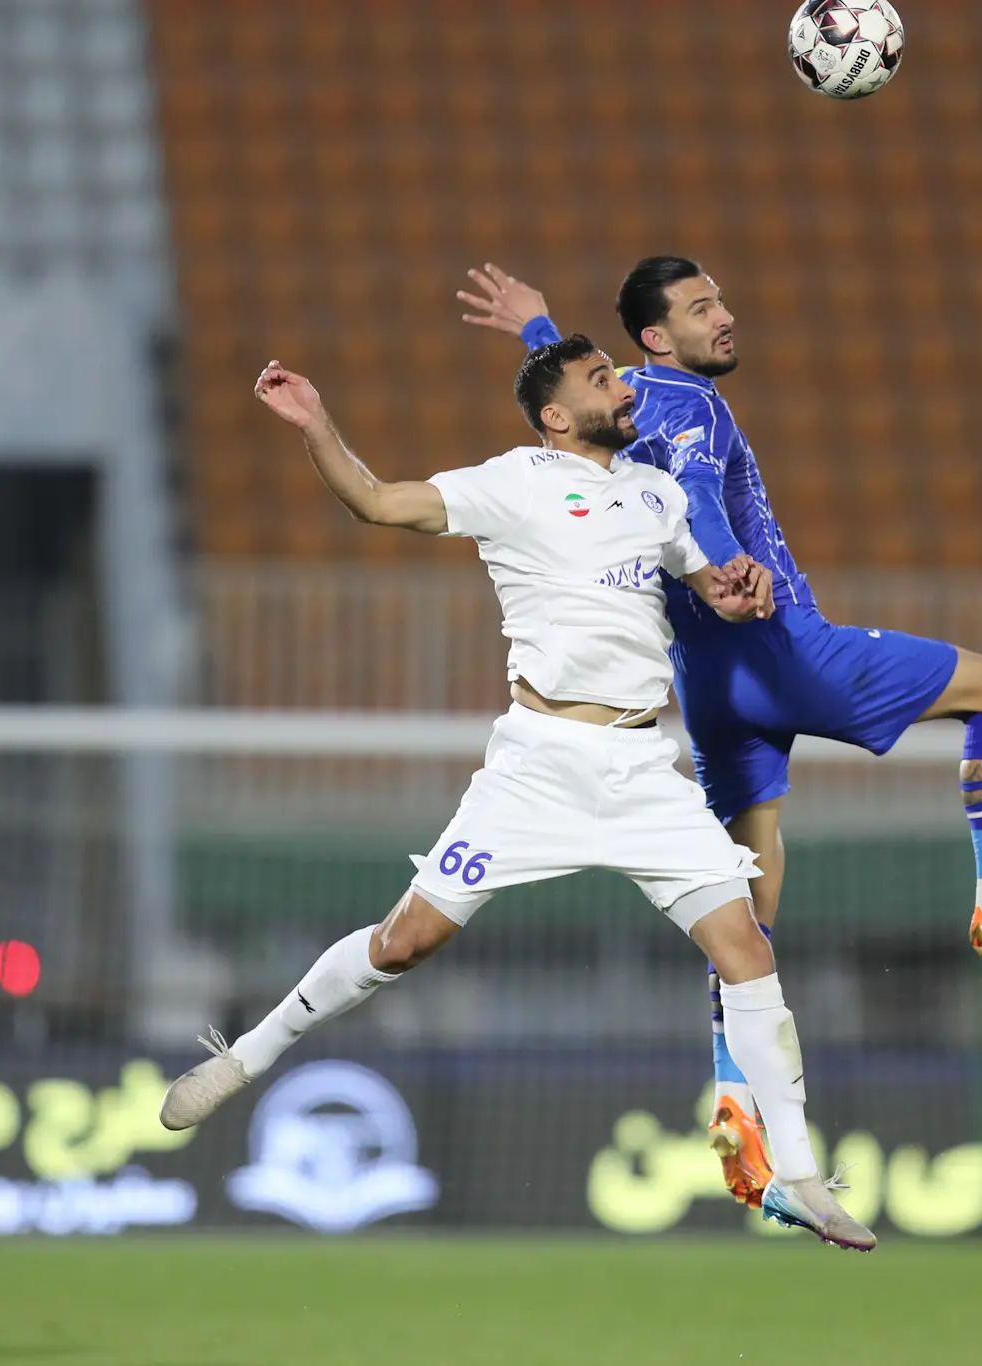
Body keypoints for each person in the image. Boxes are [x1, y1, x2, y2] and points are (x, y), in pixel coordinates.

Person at [159, 339, 876, 1249]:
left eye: (618, 374)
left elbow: (711, 585)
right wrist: (316, 423)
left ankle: (801, 1178)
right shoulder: (515, 482)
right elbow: (377, 501)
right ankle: (247, 1056)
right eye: (601, 381)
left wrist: (737, 589)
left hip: (642, 770)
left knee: (747, 951)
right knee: (405, 941)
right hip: (539, 767)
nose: (622, 389)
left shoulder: (659, 495)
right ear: (556, 417)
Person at [458, 259, 982, 1207]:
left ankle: (735, 1101)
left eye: (720, 300)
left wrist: (538, 329)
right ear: (656, 339)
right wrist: (729, 570)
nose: (725, 316)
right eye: (701, 308)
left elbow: (576, 395)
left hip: (706, 687)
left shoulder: (615, 406)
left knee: (745, 916)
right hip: (781, 646)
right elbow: (700, 497)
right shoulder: (692, 406)